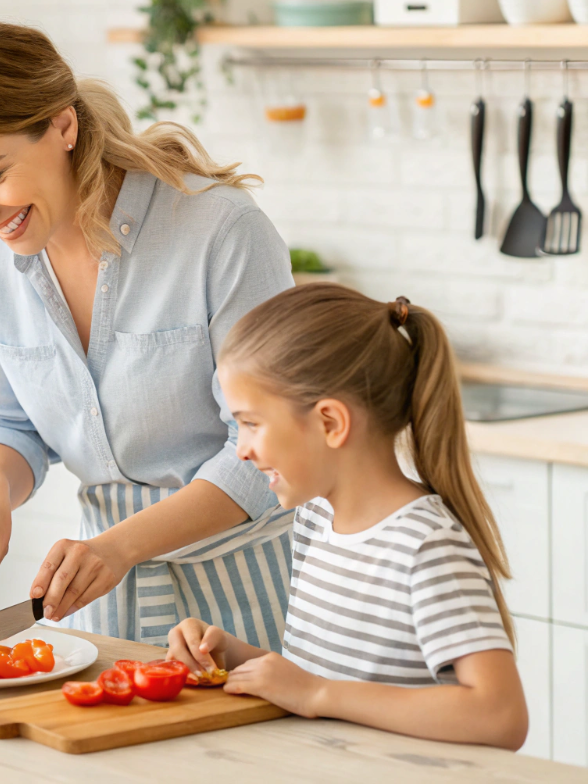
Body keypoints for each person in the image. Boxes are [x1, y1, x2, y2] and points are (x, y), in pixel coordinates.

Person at [0, 20, 294, 647]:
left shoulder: (220, 231)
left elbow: (270, 452)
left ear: (63, 126)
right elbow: (2, 420)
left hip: (241, 595)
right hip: (98, 599)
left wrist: (120, 546)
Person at [167, 284, 528, 750]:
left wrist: (315, 692)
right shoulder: (316, 519)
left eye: (252, 423)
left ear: (331, 423)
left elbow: (500, 716)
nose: (241, 450)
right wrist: (234, 657)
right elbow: (327, 683)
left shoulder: (426, 546)